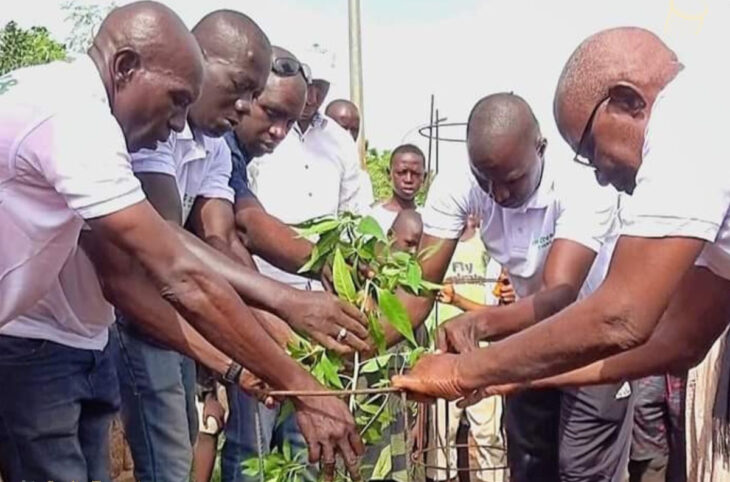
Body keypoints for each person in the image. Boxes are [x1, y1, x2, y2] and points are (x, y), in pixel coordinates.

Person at [393, 26, 730, 471]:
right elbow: (681, 340)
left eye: (592, 150)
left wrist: (462, 372)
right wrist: (515, 376)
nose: (602, 177)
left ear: (628, 101)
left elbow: (621, 315)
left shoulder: (691, 116)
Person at [0, 2, 299, 480]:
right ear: (124, 68)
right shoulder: (76, 118)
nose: (179, 123)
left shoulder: (67, 101)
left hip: (71, 340)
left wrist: (245, 362)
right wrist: (291, 367)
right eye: (177, 99)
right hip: (32, 343)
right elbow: (168, 266)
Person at [389, 92, 630, 482]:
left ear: (541, 149)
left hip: (593, 340)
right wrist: (355, 343)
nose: (498, 194)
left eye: (512, 180)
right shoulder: (460, 183)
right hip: (529, 337)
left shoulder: (581, 186)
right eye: (486, 180)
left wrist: (479, 324)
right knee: (530, 465)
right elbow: (418, 290)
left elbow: (560, 294)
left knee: (582, 471)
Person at [223, 59, 365, 481]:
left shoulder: (338, 140)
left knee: (308, 442)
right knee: (253, 444)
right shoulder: (225, 145)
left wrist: (339, 269)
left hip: (315, 311)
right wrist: (278, 309)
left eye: (319, 87)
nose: (279, 130)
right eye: (272, 113)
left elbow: (353, 215)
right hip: (254, 301)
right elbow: (239, 231)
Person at [324, 98, 375, 208]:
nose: (349, 136)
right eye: (343, 128)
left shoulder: (361, 179)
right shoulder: (306, 165)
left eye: (354, 130)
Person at [367, 144, 426, 231]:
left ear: (424, 178)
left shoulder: (429, 220)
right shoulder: (373, 218)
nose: (408, 180)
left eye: (415, 174)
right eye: (401, 172)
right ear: (389, 174)